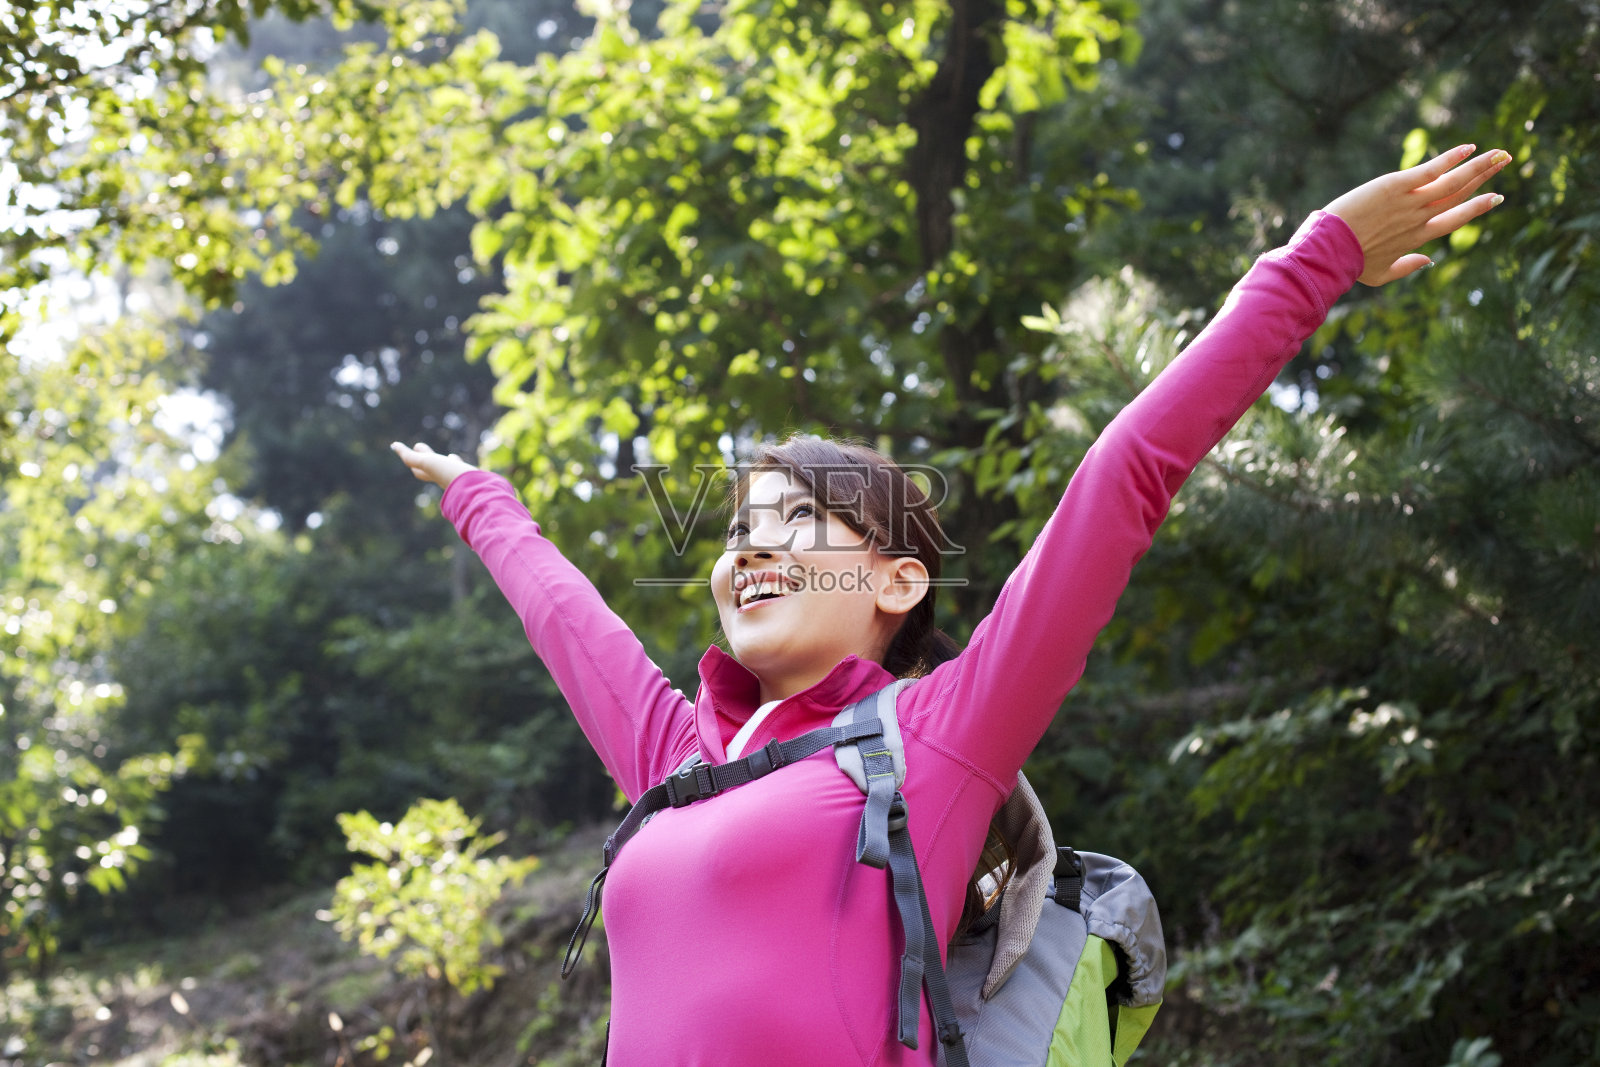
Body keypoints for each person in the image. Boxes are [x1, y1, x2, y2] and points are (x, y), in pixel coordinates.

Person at [391, 145, 1509, 1066]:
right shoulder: (673, 762)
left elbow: (1124, 475)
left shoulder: (935, 736)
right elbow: (567, 616)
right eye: (736, 533)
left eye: (797, 520)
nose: (751, 549)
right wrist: (479, 497)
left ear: (897, 580)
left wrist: (1310, 263)